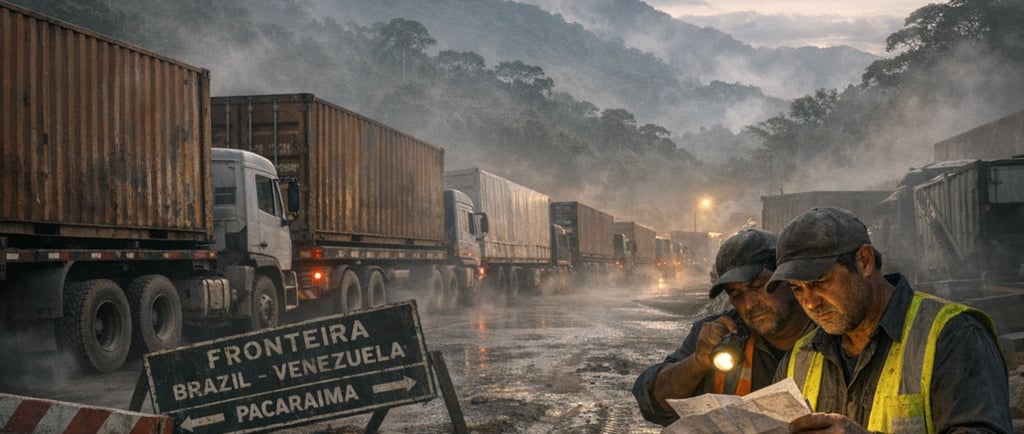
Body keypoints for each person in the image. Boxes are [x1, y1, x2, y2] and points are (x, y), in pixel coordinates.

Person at [766, 207, 1012, 433]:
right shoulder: (800, 357)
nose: (810, 302)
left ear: (864, 261)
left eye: (820, 282)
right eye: (797, 289)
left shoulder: (954, 335)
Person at [632, 228, 813, 426]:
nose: (748, 304)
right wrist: (698, 362)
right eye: (736, 294)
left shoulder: (832, 335)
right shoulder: (722, 334)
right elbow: (653, 402)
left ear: (787, 279)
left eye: (757, 286)